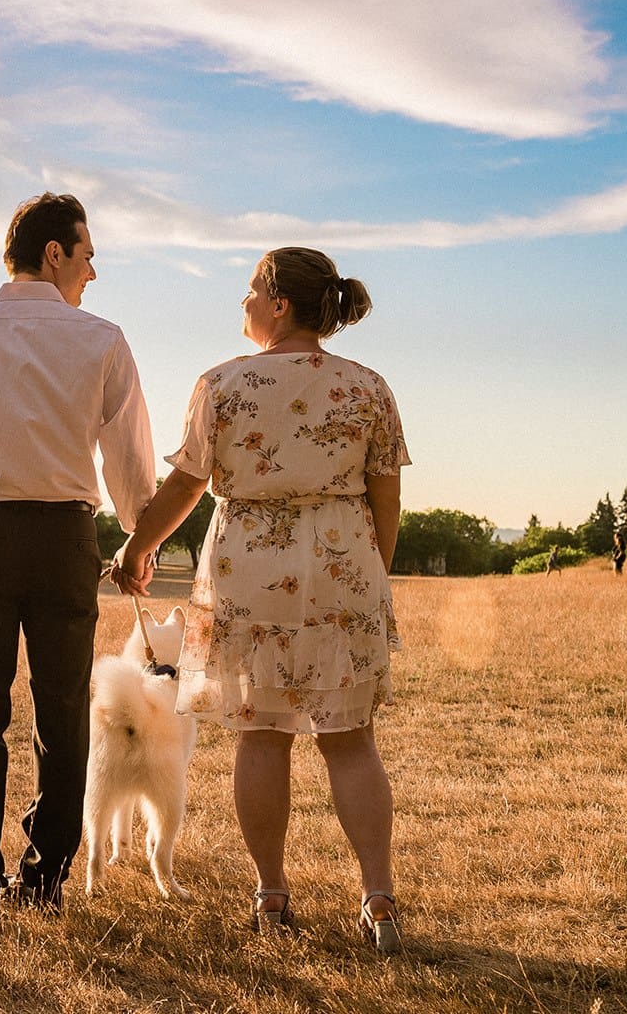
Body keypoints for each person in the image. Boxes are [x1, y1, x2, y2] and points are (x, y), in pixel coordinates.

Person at [109, 246, 409, 954]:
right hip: (345, 569)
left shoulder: (223, 383)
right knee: (351, 740)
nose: (241, 304)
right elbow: (385, 494)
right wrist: (373, 573)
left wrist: (136, 549)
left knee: (262, 736)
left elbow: (185, 484)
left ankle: (272, 894)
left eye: (249, 291)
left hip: (249, 568)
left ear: (278, 303)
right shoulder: (367, 387)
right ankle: (379, 899)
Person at [0, 192, 156, 926]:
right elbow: (129, 454)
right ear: (54, 253)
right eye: (87, 256)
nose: (92, 272)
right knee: (60, 712)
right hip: (63, 541)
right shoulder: (103, 340)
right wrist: (137, 540)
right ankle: (45, 878)